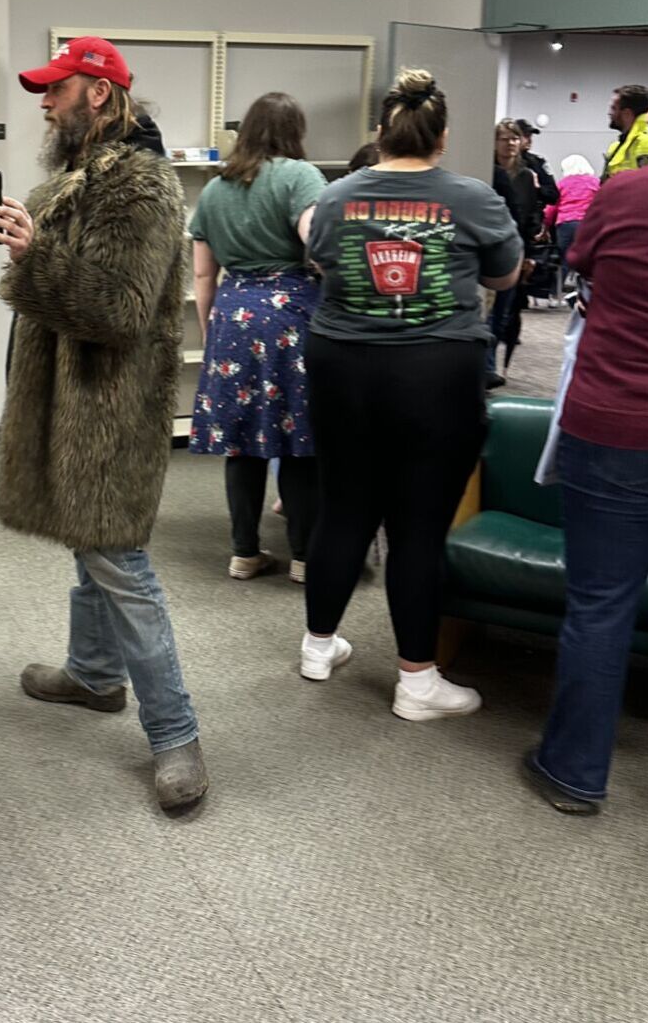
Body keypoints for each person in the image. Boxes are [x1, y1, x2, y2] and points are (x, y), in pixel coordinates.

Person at [0, 36, 207, 813]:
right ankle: (93, 674)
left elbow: (118, 309)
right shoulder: (77, 183)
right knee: (90, 545)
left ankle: (176, 733)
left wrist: (37, 253)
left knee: (119, 560)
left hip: (110, 410)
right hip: (71, 402)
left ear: (101, 96)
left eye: (57, 90)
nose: (44, 103)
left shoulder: (140, 188)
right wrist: (34, 244)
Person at [300, 69, 521, 719]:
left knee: (343, 507)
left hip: (341, 364)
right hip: (434, 372)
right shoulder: (473, 197)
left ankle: (318, 647)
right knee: (418, 526)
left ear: (381, 132)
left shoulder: (335, 196)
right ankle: (416, 682)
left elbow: (321, 261)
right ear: (442, 139)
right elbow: (505, 275)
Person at [526, 49, 648, 825]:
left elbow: (582, 263)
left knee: (601, 606)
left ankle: (575, 771)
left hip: (619, 427)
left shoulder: (628, 196)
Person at [187, 92, 325, 583]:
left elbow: (203, 276)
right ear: (295, 130)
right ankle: (305, 558)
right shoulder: (300, 176)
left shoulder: (214, 189)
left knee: (241, 441)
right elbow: (320, 240)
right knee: (299, 440)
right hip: (291, 315)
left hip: (231, 315)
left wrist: (211, 333)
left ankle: (244, 552)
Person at [488, 118, 543, 384]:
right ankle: (486, 366)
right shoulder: (487, 171)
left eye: (514, 138)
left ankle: (493, 363)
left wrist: (529, 253)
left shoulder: (526, 175)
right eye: (504, 138)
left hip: (516, 248)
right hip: (490, 247)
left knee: (504, 313)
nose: (510, 143)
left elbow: (531, 215)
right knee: (487, 311)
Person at [544, 154, 599, 282]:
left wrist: (545, 225)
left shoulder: (562, 184)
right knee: (588, 259)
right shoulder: (595, 182)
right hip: (587, 224)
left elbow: (552, 207)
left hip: (565, 224)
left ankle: (555, 293)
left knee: (564, 259)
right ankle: (586, 292)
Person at [603, 83, 648, 179]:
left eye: (613, 108)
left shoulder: (647, 144)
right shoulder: (616, 146)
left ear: (627, 114)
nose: (609, 113)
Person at [514, 119, 559, 211]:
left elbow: (553, 195)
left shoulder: (538, 162)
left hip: (532, 216)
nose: (530, 140)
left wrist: (537, 187)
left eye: (530, 136)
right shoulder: (502, 161)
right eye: (526, 136)